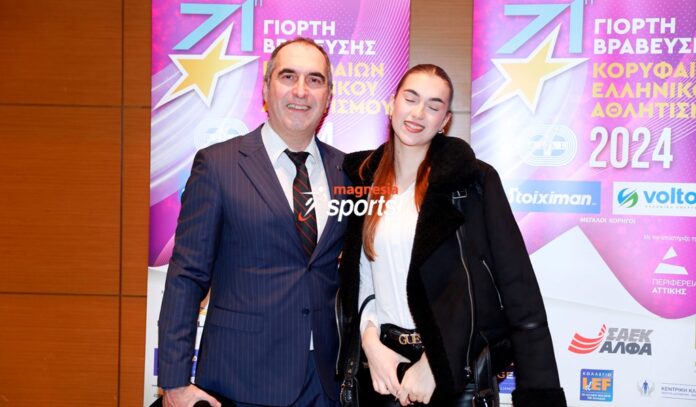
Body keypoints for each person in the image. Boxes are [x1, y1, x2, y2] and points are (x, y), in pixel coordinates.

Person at [337, 64, 567, 406]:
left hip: (455, 377)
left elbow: (512, 289)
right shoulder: (362, 180)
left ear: (444, 120)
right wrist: (371, 342)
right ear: (391, 104)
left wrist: (437, 361)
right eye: (410, 99)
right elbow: (361, 277)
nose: (418, 113)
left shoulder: (472, 182)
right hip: (384, 371)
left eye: (433, 106)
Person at [157, 38, 348, 407]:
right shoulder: (218, 165)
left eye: (315, 80)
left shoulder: (348, 170)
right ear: (265, 88)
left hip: (325, 382)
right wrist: (174, 381)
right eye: (288, 76)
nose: (301, 91)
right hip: (240, 379)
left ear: (328, 96)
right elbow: (187, 275)